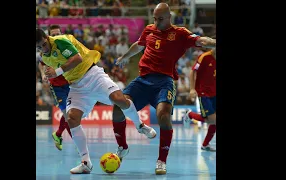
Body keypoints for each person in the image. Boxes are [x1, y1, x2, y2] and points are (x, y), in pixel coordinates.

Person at [112, 3, 216, 175]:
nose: (156, 22)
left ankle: (161, 160)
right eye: (154, 18)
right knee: (117, 108)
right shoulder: (149, 29)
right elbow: (139, 45)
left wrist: (214, 43)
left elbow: (201, 41)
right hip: (143, 80)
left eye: (160, 19)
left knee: (164, 115)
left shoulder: (180, 33)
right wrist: (124, 56)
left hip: (164, 82)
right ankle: (122, 147)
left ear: (169, 18)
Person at [36, 28, 157, 174]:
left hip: (93, 75)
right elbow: (56, 67)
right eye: (38, 47)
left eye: (43, 44)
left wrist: (56, 72)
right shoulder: (44, 57)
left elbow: (77, 59)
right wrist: (47, 74)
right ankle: (85, 162)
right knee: (72, 118)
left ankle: (140, 125)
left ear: (46, 37)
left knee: (120, 100)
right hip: (76, 86)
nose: (43, 48)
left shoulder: (60, 41)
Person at [37, 24, 72, 151]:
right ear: (48, 37)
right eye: (54, 35)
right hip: (57, 87)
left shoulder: (67, 45)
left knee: (72, 112)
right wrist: (43, 74)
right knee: (68, 114)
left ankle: (57, 134)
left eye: (58, 34)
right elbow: (41, 64)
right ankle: (80, 147)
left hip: (71, 82)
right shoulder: (45, 50)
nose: (56, 36)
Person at [183, 48, 216, 152]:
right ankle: (190, 115)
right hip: (203, 92)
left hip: (214, 92)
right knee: (213, 120)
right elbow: (192, 72)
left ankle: (205, 145)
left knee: (214, 121)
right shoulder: (204, 57)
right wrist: (192, 89)